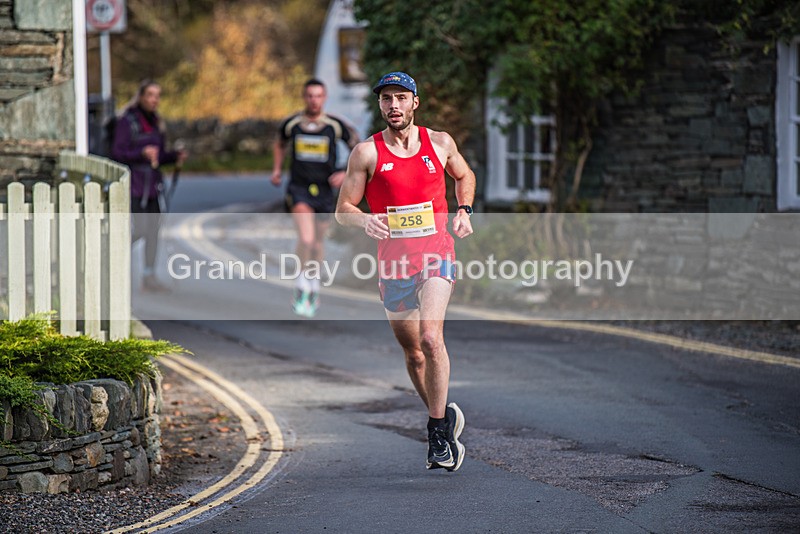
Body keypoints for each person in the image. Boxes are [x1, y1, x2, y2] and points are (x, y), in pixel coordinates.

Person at [335, 72, 476, 471]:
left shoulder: (440, 142)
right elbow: (343, 209)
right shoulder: (367, 153)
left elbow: (464, 176)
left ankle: (436, 433)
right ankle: (443, 413)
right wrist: (364, 221)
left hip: (436, 254)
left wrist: (463, 211)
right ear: (379, 106)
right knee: (414, 354)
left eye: (400, 98)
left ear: (415, 102)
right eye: (386, 100)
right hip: (394, 263)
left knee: (432, 338)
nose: (393, 105)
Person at [272, 79, 359, 317]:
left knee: (318, 242)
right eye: (310, 96)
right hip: (299, 189)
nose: (314, 100)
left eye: (318, 95)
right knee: (307, 239)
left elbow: (358, 147)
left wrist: (345, 172)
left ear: (325, 97)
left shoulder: (335, 125)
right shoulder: (292, 124)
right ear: (304, 97)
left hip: (324, 190)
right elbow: (279, 144)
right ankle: (300, 284)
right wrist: (277, 169)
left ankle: (314, 285)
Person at [111, 79, 186, 292]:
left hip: (153, 186)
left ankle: (149, 275)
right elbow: (117, 152)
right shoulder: (128, 121)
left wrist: (173, 157)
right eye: (151, 95)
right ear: (141, 96)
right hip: (134, 186)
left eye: (157, 95)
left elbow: (158, 156)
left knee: (153, 231)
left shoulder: (156, 123)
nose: (155, 100)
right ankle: (112, 258)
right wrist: (140, 154)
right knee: (141, 228)